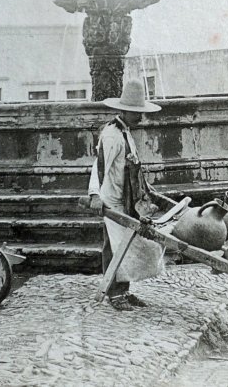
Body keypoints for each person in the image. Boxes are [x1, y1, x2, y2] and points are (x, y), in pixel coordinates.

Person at [88, 80, 163, 311]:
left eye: (141, 112)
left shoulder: (126, 133)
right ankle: (113, 293)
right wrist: (94, 194)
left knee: (128, 245)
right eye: (136, 112)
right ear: (124, 110)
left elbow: (133, 166)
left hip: (126, 198)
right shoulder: (112, 135)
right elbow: (99, 166)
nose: (140, 117)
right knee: (114, 246)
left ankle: (124, 290)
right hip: (112, 199)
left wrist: (147, 189)